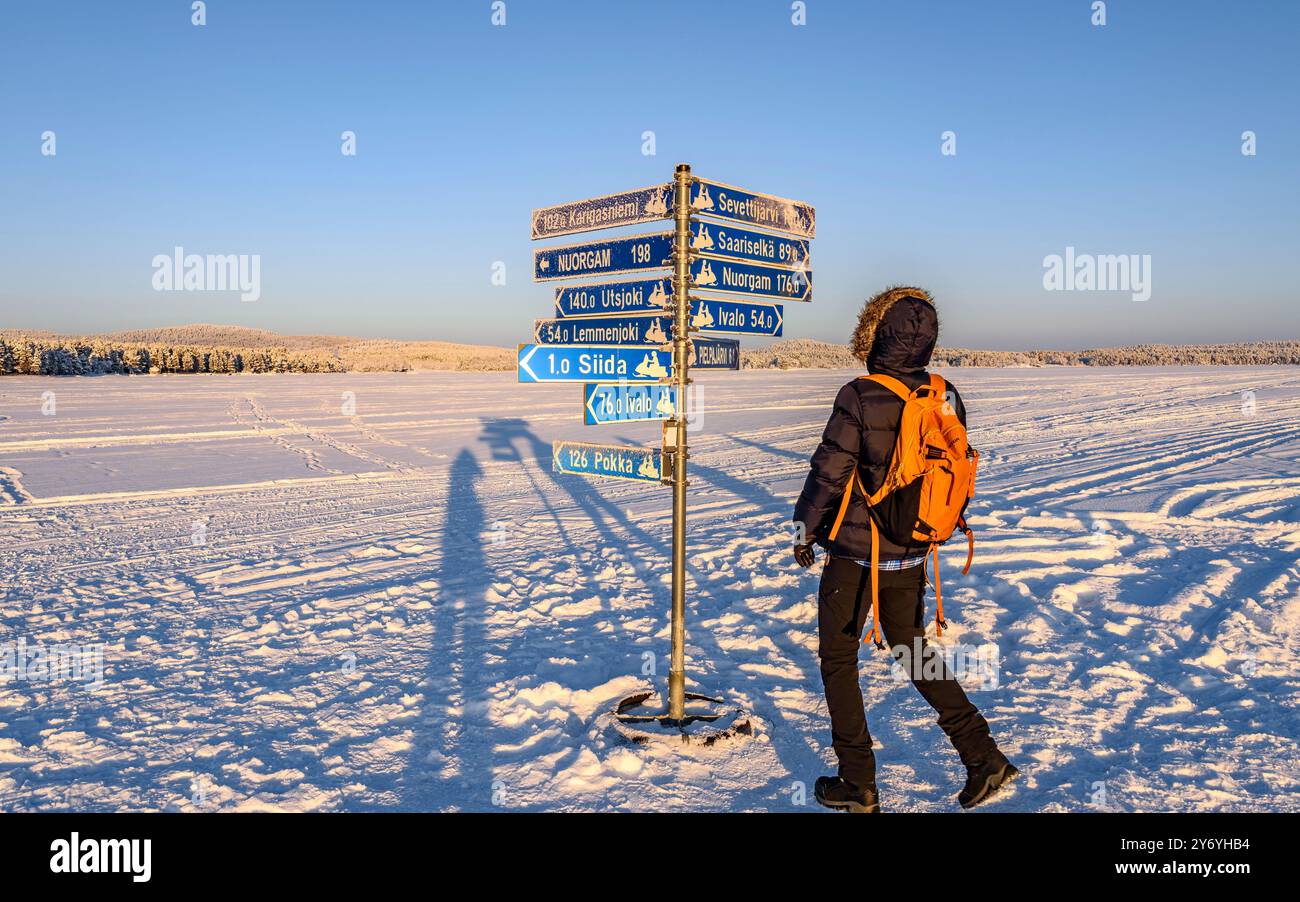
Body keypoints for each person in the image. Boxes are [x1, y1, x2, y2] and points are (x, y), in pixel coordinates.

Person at [792, 286, 1018, 813]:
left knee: (838, 660)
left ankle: (858, 784)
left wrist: (805, 529)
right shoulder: (944, 392)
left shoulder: (859, 393)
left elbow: (829, 472)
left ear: (873, 334)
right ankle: (983, 756)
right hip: (915, 550)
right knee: (912, 650)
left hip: (856, 554)